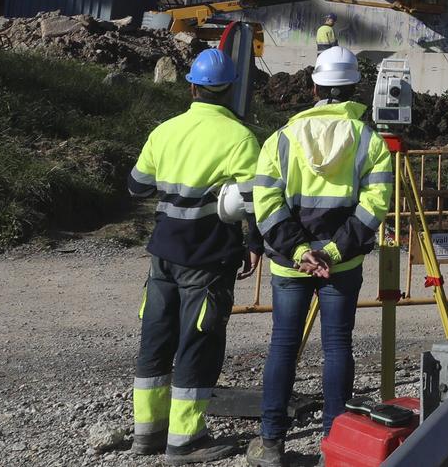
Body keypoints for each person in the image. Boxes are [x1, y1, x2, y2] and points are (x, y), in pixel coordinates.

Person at [246, 47, 394, 467]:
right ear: (353, 89)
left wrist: (298, 251)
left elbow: (266, 202)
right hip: (341, 266)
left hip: (288, 264)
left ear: (314, 87)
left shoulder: (281, 139)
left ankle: (271, 442)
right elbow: (374, 207)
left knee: (283, 347)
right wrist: (329, 251)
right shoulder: (371, 142)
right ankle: (334, 444)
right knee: (336, 347)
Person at [126, 49, 260, 462]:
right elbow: (254, 201)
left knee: (156, 340)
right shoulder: (239, 137)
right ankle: (185, 441)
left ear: (191, 86)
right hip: (207, 257)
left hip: (162, 254)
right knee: (197, 345)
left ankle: (147, 434)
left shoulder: (164, 131)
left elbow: (137, 187)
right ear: (230, 89)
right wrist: (254, 244)